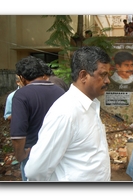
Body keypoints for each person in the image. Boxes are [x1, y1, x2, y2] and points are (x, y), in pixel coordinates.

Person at [24, 46, 111, 181]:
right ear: (83, 76)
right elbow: (35, 170)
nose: (107, 81)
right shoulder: (65, 112)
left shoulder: (91, 106)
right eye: (103, 75)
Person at [10, 56, 65, 181]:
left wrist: (20, 156)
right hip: (59, 153)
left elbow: (18, 134)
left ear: (21, 78)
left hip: (33, 155)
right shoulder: (60, 92)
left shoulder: (22, 95)